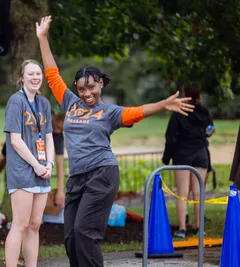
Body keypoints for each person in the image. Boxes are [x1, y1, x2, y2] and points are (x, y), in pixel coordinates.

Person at [36, 16, 194, 267]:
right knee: (70, 238)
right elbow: (52, 73)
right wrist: (43, 38)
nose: (87, 93)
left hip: (102, 174)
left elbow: (137, 111)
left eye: (91, 87)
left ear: (100, 84)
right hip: (77, 178)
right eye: (82, 89)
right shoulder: (69, 103)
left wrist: (163, 104)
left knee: (85, 233)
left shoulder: (109, 112)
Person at [3, 59, 54, 267]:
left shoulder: (44, 103)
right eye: (31, 74)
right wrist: (36, 165)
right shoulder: (16, 101)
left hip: (42, 169)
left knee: (35, 225)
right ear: (22, 77)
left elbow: (49, 137)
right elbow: (15, 141)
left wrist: (49, 163)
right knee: (21, 224)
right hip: (23, 170)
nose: (35, 77)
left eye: (38, 74)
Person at [162, 82, 213, 238]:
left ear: (185, 95)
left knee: (182, 193)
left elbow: (171, 138)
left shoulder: (179, 112)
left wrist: (166, 158)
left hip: (183, 154)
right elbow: (210, 129)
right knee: (198, 193)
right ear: (199, 95)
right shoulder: (204, 112)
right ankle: (199, 227)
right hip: (200, 153)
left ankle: (182, 229)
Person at [0, 111, 66, 207]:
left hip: (35, 154)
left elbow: (60, 164)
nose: (58, 131)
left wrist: (60, 191)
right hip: (21, 137)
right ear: (54, 119)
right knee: (2, 159)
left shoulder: (58, 136)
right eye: (57, 127)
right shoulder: (42, 115)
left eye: (61, 130)